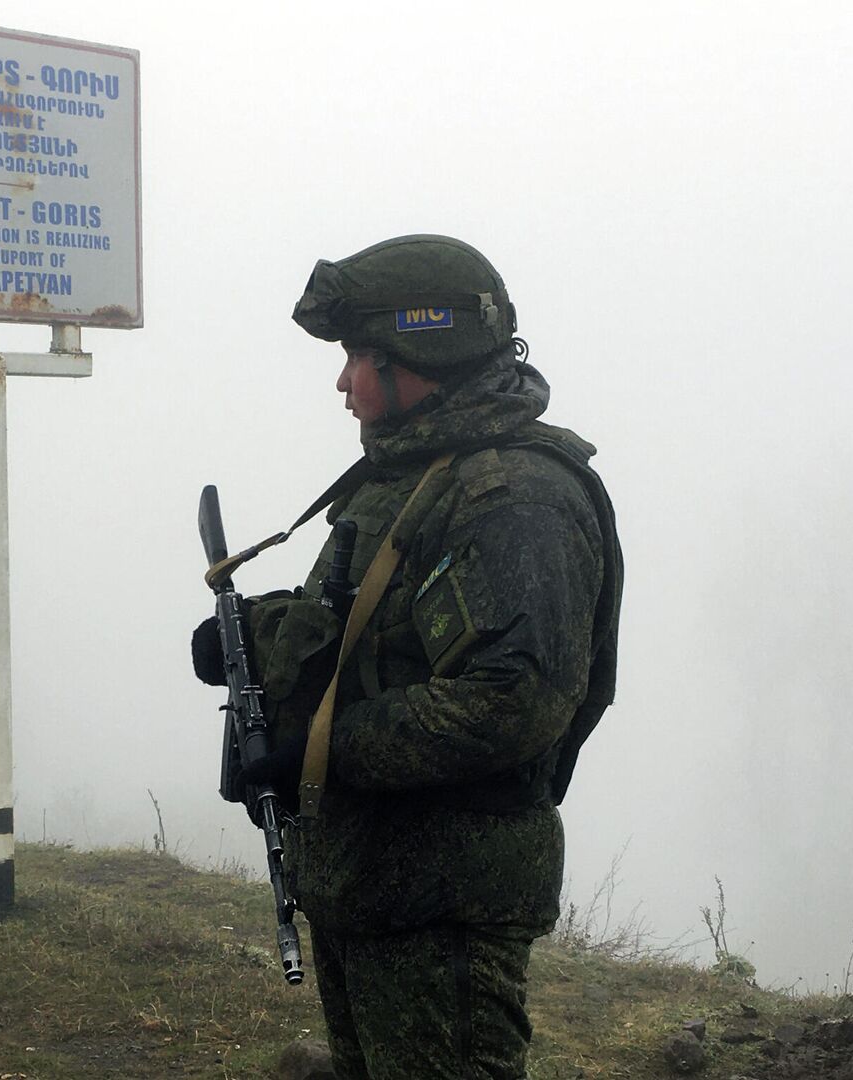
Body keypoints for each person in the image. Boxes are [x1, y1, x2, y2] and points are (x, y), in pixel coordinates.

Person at [198, 234, 622, 1079]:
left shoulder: (515, 498)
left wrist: (320, 752)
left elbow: (513, 701)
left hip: (442, 904)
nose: (344, 380)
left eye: (363, 355)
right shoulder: (412, 477)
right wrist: (260, 632)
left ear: (426, 354)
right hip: (367, 882)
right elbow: (375, 628)